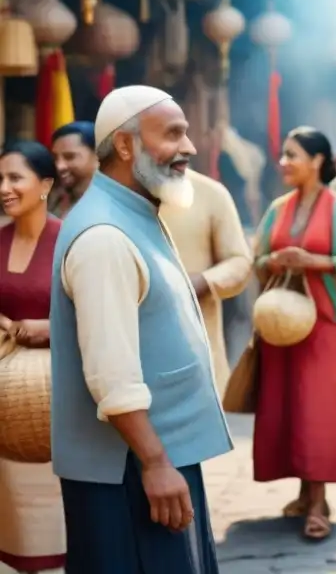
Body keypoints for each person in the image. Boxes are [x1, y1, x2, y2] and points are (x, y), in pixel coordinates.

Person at [49, 85, 232, 572]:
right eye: (173, 134)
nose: (189, 147)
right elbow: (111, 372)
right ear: (126, 146)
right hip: (130, 467)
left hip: (155, 456)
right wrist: (154, 463)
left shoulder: (134, 213)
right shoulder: (105, 236)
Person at [253, 127, 336, 541]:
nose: (284, 163)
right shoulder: (277, 208)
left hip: (326, 326)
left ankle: (320, 500)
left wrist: (316, 261)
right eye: (284, 155)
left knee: (319, 409)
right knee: (289, 406)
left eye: (292, 155)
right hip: (283, 327)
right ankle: (305, 491)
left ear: (318, 161)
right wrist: (275, 259)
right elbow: (257, 257)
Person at [0, 141, 65, 573]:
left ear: (44, 185)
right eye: (0, 179)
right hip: (5, 394)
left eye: (15, 178)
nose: (4, 188)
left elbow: (94, 316)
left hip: (55, 397)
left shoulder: (71, 241)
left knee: (57, 499)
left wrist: (52, 329)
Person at [160, 169, 253, 395]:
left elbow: (239, 261)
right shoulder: (117, 193)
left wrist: (202, 282)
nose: (185, 147)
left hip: (197, 348)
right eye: (170, 135)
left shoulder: (210, 193)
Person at [48, 121, 98, 219]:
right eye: (55, 158)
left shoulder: (111, 206)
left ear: (97, 156)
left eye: (69, 157)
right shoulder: (54, 201)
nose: (59, 166)